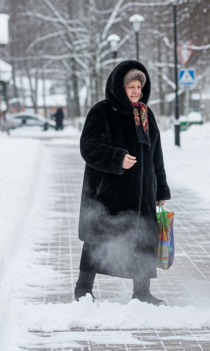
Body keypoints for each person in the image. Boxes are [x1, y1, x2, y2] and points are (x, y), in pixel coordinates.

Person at [76, 60, 171, 306]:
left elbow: (155, 156)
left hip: (143, 194)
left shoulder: (144, 113)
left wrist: (160, 189)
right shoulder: (102, 111)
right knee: (98, 239)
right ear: (120, 87)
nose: (135, 90)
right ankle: (83, 289)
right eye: (130, 86)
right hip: (107, 193)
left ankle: (142, 292)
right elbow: (88, 147)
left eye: (139, 86)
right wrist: (117, 158)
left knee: (143, 239)